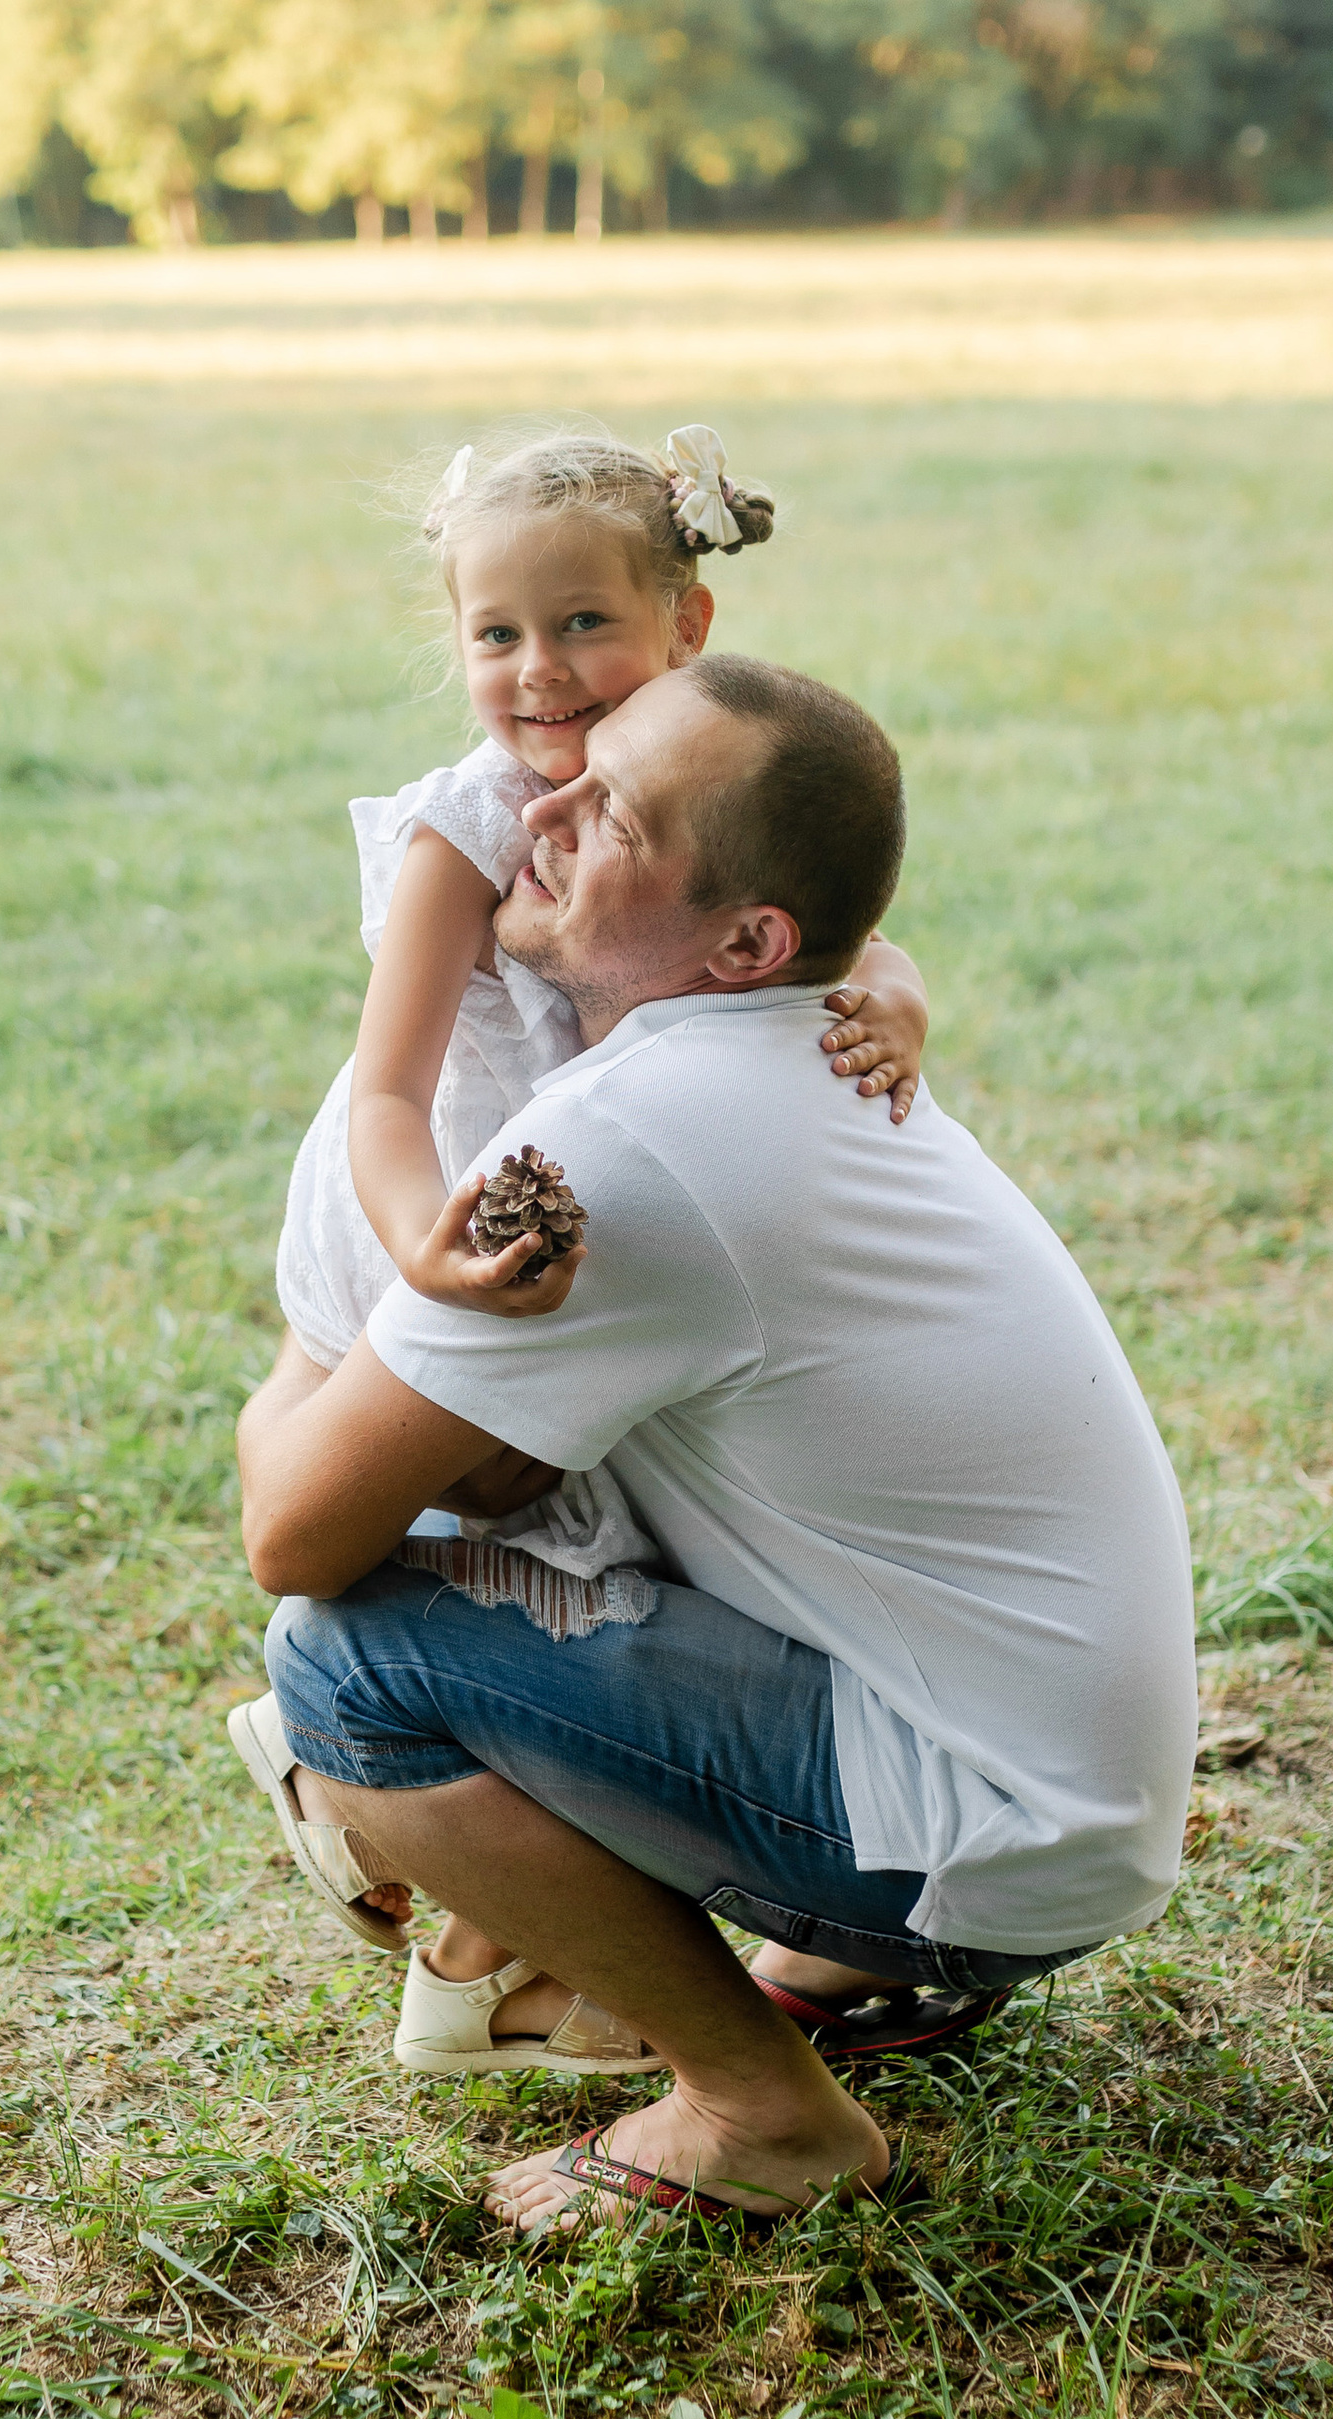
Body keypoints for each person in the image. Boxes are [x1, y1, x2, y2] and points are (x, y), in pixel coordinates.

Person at [233, 654, 1199, 2231]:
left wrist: (312, 1342)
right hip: (1059, 1803)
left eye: (609, 811)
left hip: (987, 1827)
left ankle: (762, 2114)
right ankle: (837, 1963)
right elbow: (498, 1474)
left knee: (345, 1664)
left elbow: (302, 1532)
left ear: (744, 941)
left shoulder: (629, 1138)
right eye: (572, 769)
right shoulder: (799, 1045)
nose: (539, 810)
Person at [243, 427, 931, 1947]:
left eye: (582, 625)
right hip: (443, 1192)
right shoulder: (464, 828)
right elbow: (387, 1085)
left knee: (603, 1518)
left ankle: (496, 1920)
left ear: (687, 621)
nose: (537, 671)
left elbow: (820, 917)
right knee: (522, 1512)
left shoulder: (708, 766)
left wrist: (903, 997)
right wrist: (420, 1245)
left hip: (587, 1191)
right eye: (496, 634)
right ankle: (362, 1767)